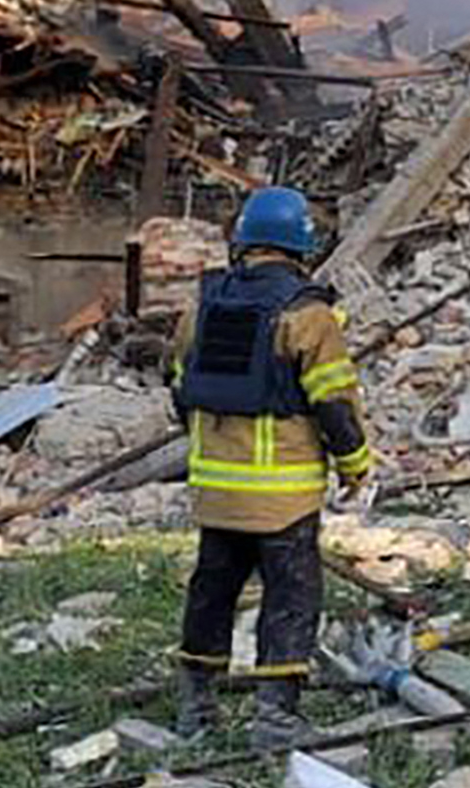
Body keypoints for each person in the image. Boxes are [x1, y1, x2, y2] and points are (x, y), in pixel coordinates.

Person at [169, 186, 371, 748]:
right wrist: (356, 465)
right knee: (292, 597)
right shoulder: (308, 316)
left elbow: (180, 390)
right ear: (301, 245)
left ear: (244, 241)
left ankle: (196, 709)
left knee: (212, 591)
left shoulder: (201, 309)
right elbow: (334, 403)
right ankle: (275, 718)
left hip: (215, 493)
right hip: (284, 497)